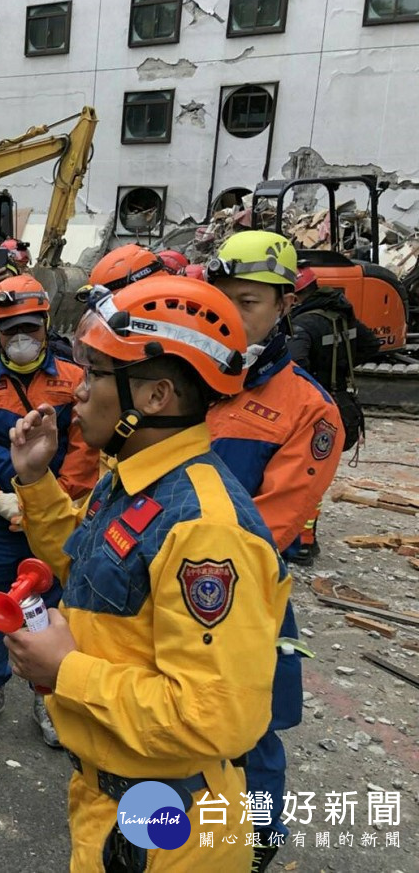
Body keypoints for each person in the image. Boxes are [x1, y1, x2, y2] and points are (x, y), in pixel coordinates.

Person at [5, 277, 290, 872]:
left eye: (95, 373)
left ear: (156, 396)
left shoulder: (206, 531)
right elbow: (90, 572)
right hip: (115, 802)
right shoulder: (136, 479)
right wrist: (36, 481)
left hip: (171, 828)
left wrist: (67, 671)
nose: (77, 391)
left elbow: (216, 718)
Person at [204, 231, 344, 866]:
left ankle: (257, 841)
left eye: (250, 301)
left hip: (243, 592)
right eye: (222, 301)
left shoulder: (306, 410)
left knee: (250, 724)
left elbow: (273, 526)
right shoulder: (190, 382)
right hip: (166, 580)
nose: (233, 316)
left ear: (285, 306)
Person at [0, 275, 98, 741]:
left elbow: (84, 451)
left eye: (30, 328)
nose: (21, 338)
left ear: (46, 326)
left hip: (55, 516)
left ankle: (47, 696)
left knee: (51, 605)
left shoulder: (74, 382)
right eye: (10, 329)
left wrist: (47, 500)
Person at [286, 266, 379, 562]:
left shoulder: (304, 323)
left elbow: (295, 365)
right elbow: (370, 344)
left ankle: (301, 542)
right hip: (343, 401)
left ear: (297, 295)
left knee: (301, 476)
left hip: (316, 406)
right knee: (317, 474)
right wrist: (340, 368)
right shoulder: (342, 315)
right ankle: (305, 539)